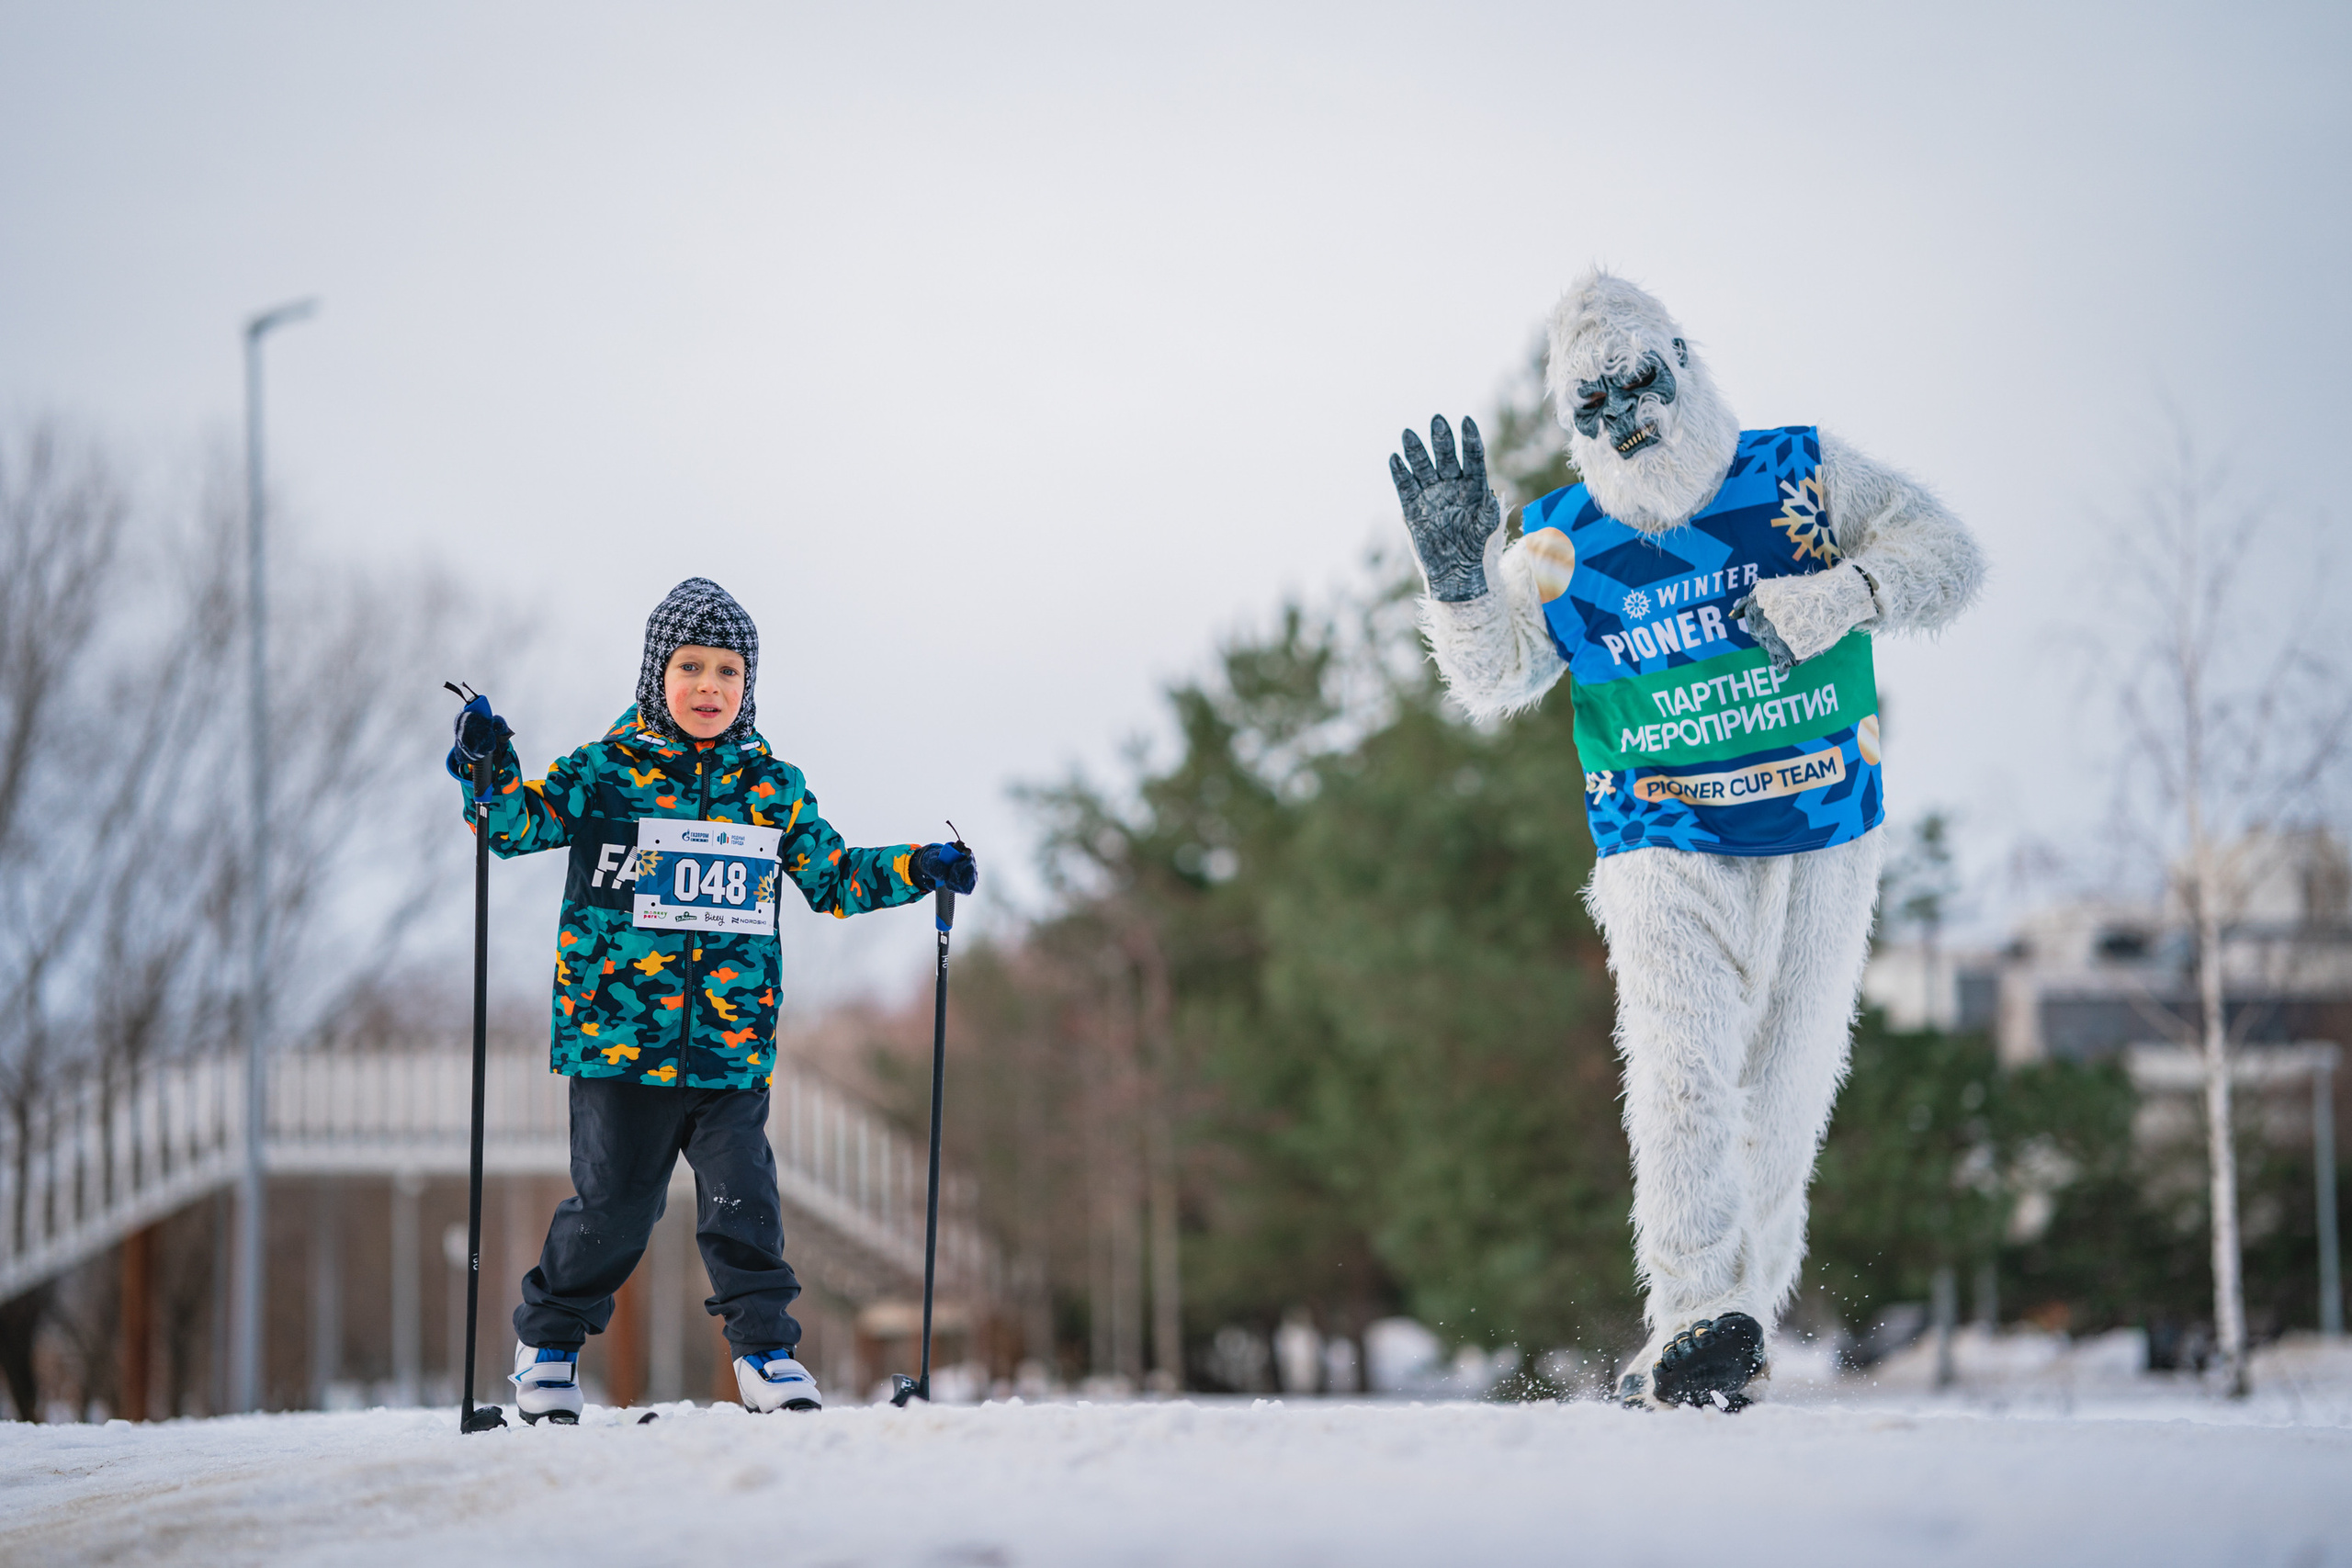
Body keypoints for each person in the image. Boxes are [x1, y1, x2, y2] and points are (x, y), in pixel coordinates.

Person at [1390, 271, 1983, 1409]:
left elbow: (1947, 556)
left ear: (1682, 361)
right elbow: (1493, 676)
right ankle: (1696, 1309)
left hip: (1818, 822)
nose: (1624, 418)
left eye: (1637, 384)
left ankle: (1727, 1333)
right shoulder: (1561, 541)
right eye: (1592, 407)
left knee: (1783, 1095)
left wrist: (1847, 591)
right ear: (1571, 428)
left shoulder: (1797, 475)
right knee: (1679, 1073)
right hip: (1658, 831)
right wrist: (1462, 582)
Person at [446, 576, 977, 1421]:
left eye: (727, 671)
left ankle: (766, 1353)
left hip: (730, 1047)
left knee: (746, 1201)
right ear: (658, 673)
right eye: (690, 666)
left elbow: (833, 878)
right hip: (618, 1042)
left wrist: (919, 867)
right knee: (614, 1211)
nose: (708, 687)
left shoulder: (773, 787)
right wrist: (488, 764)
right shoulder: (605, 772)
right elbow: (515, 827)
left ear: (749, 685)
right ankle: (547, 1345)